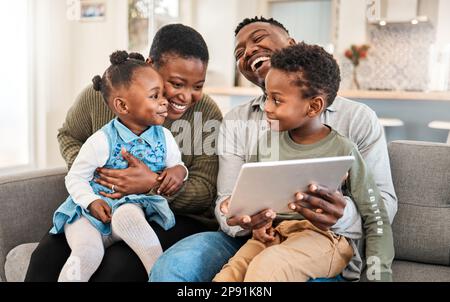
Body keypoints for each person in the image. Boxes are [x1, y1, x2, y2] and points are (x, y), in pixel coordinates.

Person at [149, 17, 397, 282]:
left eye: (258, 39)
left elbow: (381, 209)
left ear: (290, 44)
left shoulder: (354, 124)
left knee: (269, 269)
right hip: (261, 237)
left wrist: (341, 216)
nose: (249, 51)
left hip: (322, 242)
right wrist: (236, 214)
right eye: (239, 52)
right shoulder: (240, 125)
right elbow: (228, 200)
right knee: (173, 269)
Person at [25, 24, 223, 282]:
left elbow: (205, 192)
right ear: (150, 66)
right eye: (175, 83)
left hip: (175, 217)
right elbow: (69, 134)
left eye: (197, 86)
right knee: (45, 259)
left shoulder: (207, 115)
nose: (185, 96)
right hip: (104, 207)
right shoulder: (102, 97)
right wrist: (99, 176)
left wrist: (152, 184)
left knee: (116, 267)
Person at [213, 43, 394, 282]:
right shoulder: (266, 144)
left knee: (269, 268)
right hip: (274, 236)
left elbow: (376, 216)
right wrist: (251, 219)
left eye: (277, 100)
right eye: (267, 97)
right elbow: (255, 202)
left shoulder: (343, 149)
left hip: (325, 239)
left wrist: (378, 275)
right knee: (228, 277)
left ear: (314, 106)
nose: (266, 107)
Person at [52, 50, 189, 282]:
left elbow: (178, 166)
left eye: (163, 94)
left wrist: (179, 171)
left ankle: (161, 277)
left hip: (126, 212)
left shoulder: (164, 137)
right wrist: (92, 201)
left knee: (129, 214)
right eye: (154, 96)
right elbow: (75, 178)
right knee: (88, 252)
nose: (165, 101)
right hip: (89, 217)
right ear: (123, 106)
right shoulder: (102, 141)